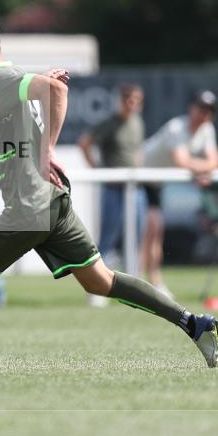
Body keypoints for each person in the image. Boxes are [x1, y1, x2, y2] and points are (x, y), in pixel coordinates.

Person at [0, 8, 218, 369]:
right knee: (100, 281)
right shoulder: (4, 84)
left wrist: (47, 151)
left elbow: (57, 90)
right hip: (52, 203)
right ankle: (195, 324)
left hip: (29, 208)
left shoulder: (0, 79)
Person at [141, 91, 218, 295]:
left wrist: (201, 169)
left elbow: (214, 161)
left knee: (154, 230)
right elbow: (182, 161)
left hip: (155, 183)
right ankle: (143, 282)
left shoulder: (207, 129)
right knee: (147, 230)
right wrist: (203, 170)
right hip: (139, 178)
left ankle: (150, 282)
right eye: (201, 108)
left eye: (208, 111)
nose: (204, 114)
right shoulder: (176, 128)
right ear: (191, 108)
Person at [77, 85, 146, 305]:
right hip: (114, 189)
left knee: (136, 237)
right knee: (107, 238)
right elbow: (85, 142)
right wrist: (97, 170)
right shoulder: (110, 123)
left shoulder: (137, 123)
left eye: (136, 100)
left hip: (134, 187)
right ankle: (97, 289)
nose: (131, 104)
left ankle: (135, 287)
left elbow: (137, 151)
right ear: (121, 100)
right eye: (128, 99)